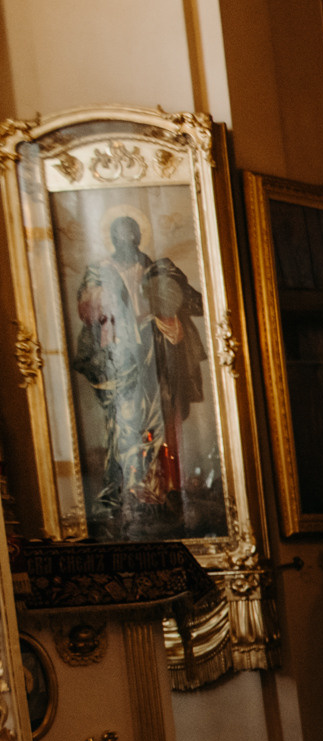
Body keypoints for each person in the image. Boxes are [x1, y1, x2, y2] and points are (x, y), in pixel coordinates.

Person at [72, 215, 207, 532]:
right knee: (124, 422)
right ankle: (125, 493)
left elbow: (194, 302)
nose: (127, 242)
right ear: (112, 238)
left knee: (158, 419)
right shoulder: (99, 270)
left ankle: (159, 492)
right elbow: (87, 311)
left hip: (153, 351)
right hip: (119, 357)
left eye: (132, 236)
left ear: (138, 237)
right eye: (120, 237)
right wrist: (99, 298)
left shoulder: (156, 268)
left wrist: (167, 294)